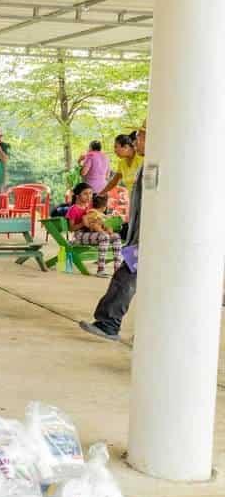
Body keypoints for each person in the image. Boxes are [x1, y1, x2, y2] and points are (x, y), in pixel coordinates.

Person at [80, 122, 147, 340]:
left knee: (127, 274)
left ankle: (110, 324)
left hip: (153, 236)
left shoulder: (148, 163)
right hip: (140, 231)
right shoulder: (141, 166)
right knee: (127, 273)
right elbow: (115, 182)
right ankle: (110, 324)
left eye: (141, 136)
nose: (136, 141)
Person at [66, 183, 122, 278]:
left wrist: (103, 223)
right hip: (80, 236)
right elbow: (71, 228)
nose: (89, 196)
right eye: (85, 194)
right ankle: (101, 270)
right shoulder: (73, 209)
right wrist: (83, 223)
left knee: (116, 237)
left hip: (92, 234)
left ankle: (118, 269)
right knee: (104, 237)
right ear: (77, 195)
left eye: (91, 193)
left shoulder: (90, 208)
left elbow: (98, 219)